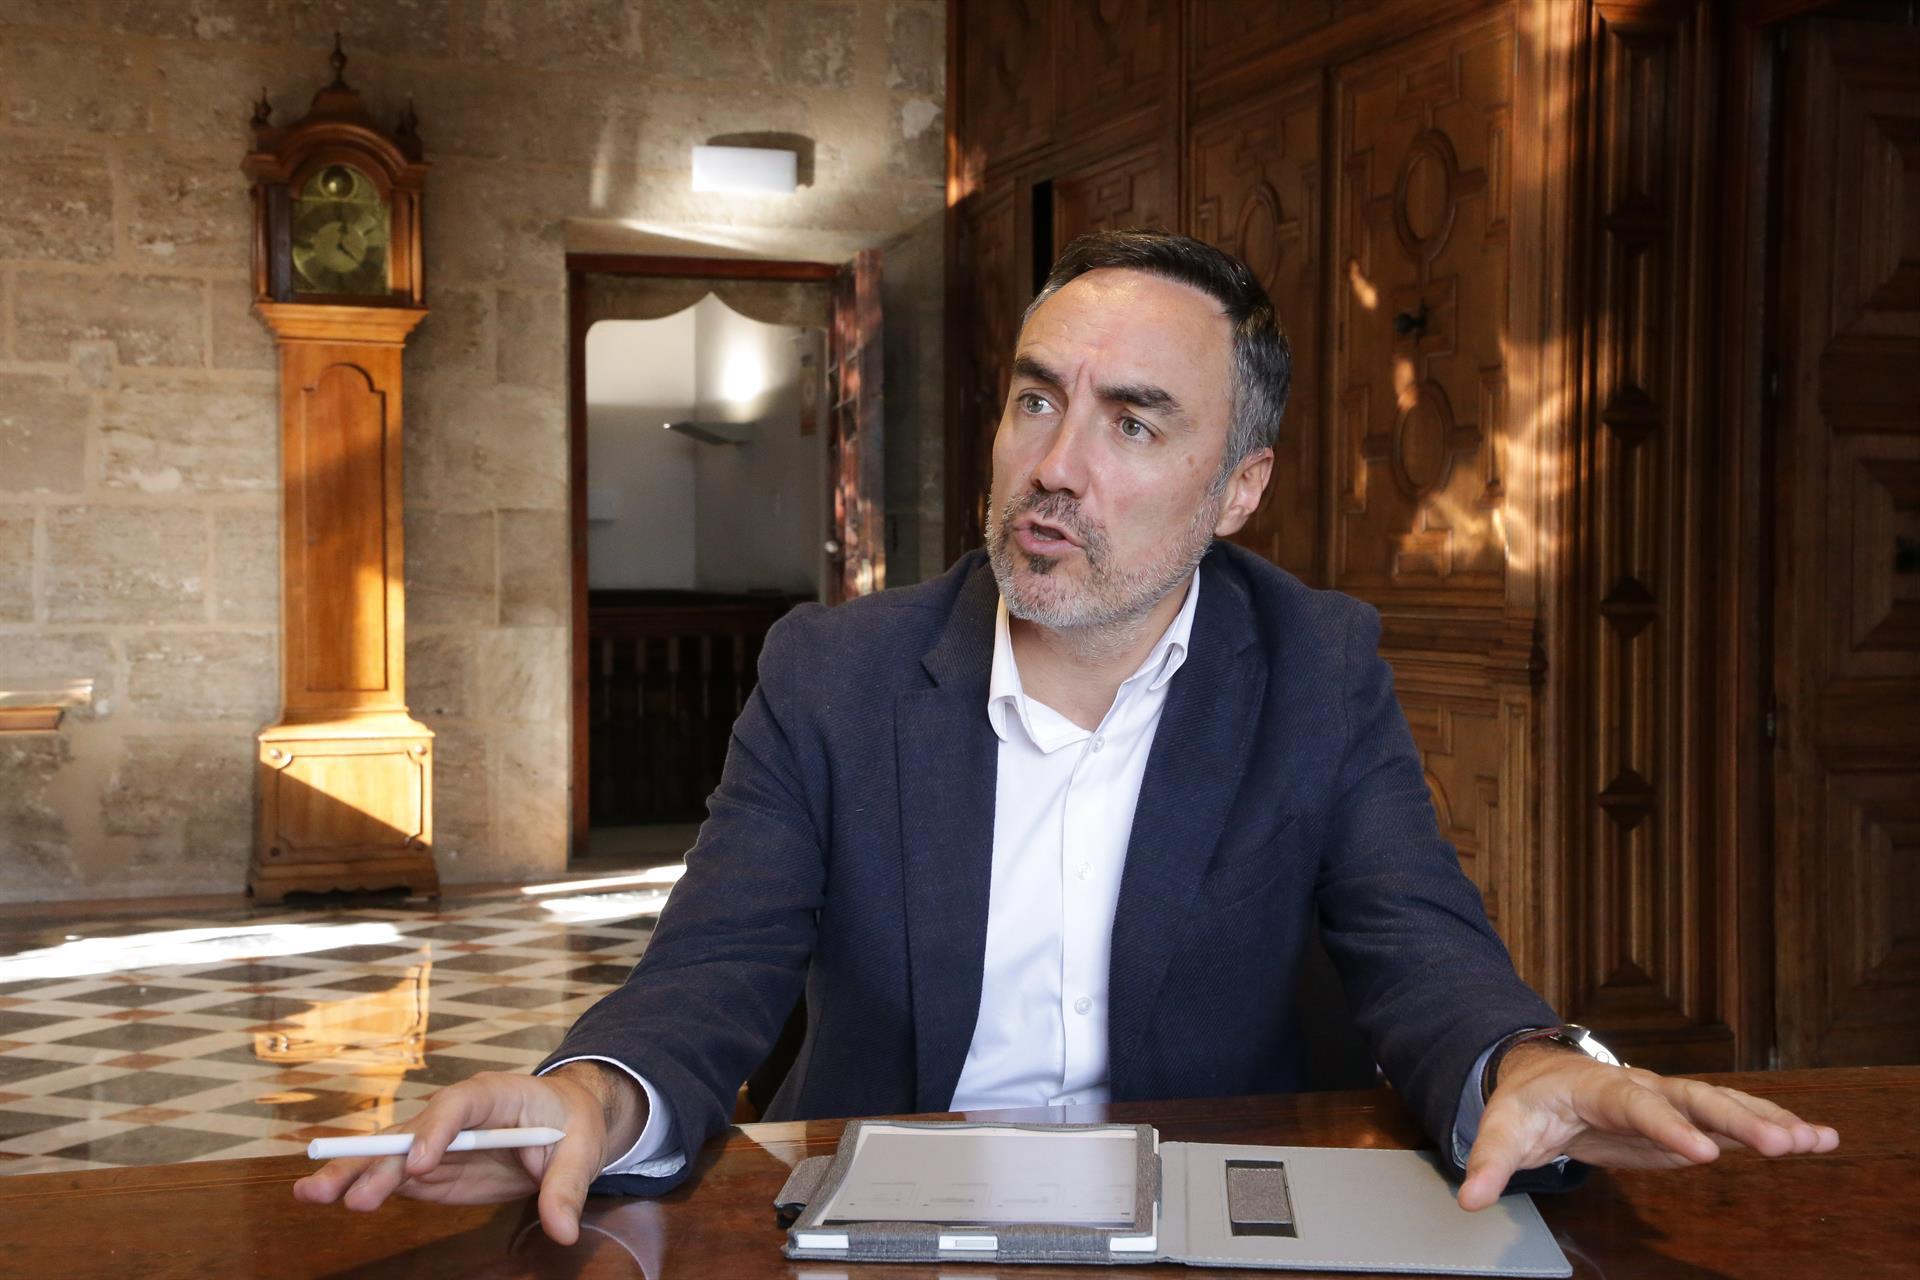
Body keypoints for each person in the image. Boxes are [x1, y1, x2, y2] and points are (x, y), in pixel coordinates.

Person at [296, 231, 1837, 1246]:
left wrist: (1528, 1062)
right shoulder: (835, 672)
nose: (1055, 466)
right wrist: (598, 1094)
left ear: (1239, 490)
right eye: (1037, 402)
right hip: (885, 1226)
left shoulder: (1316, 667)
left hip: (1207, 1232)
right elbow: (716, 968)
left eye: (1134, 423)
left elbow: (1415, 941)